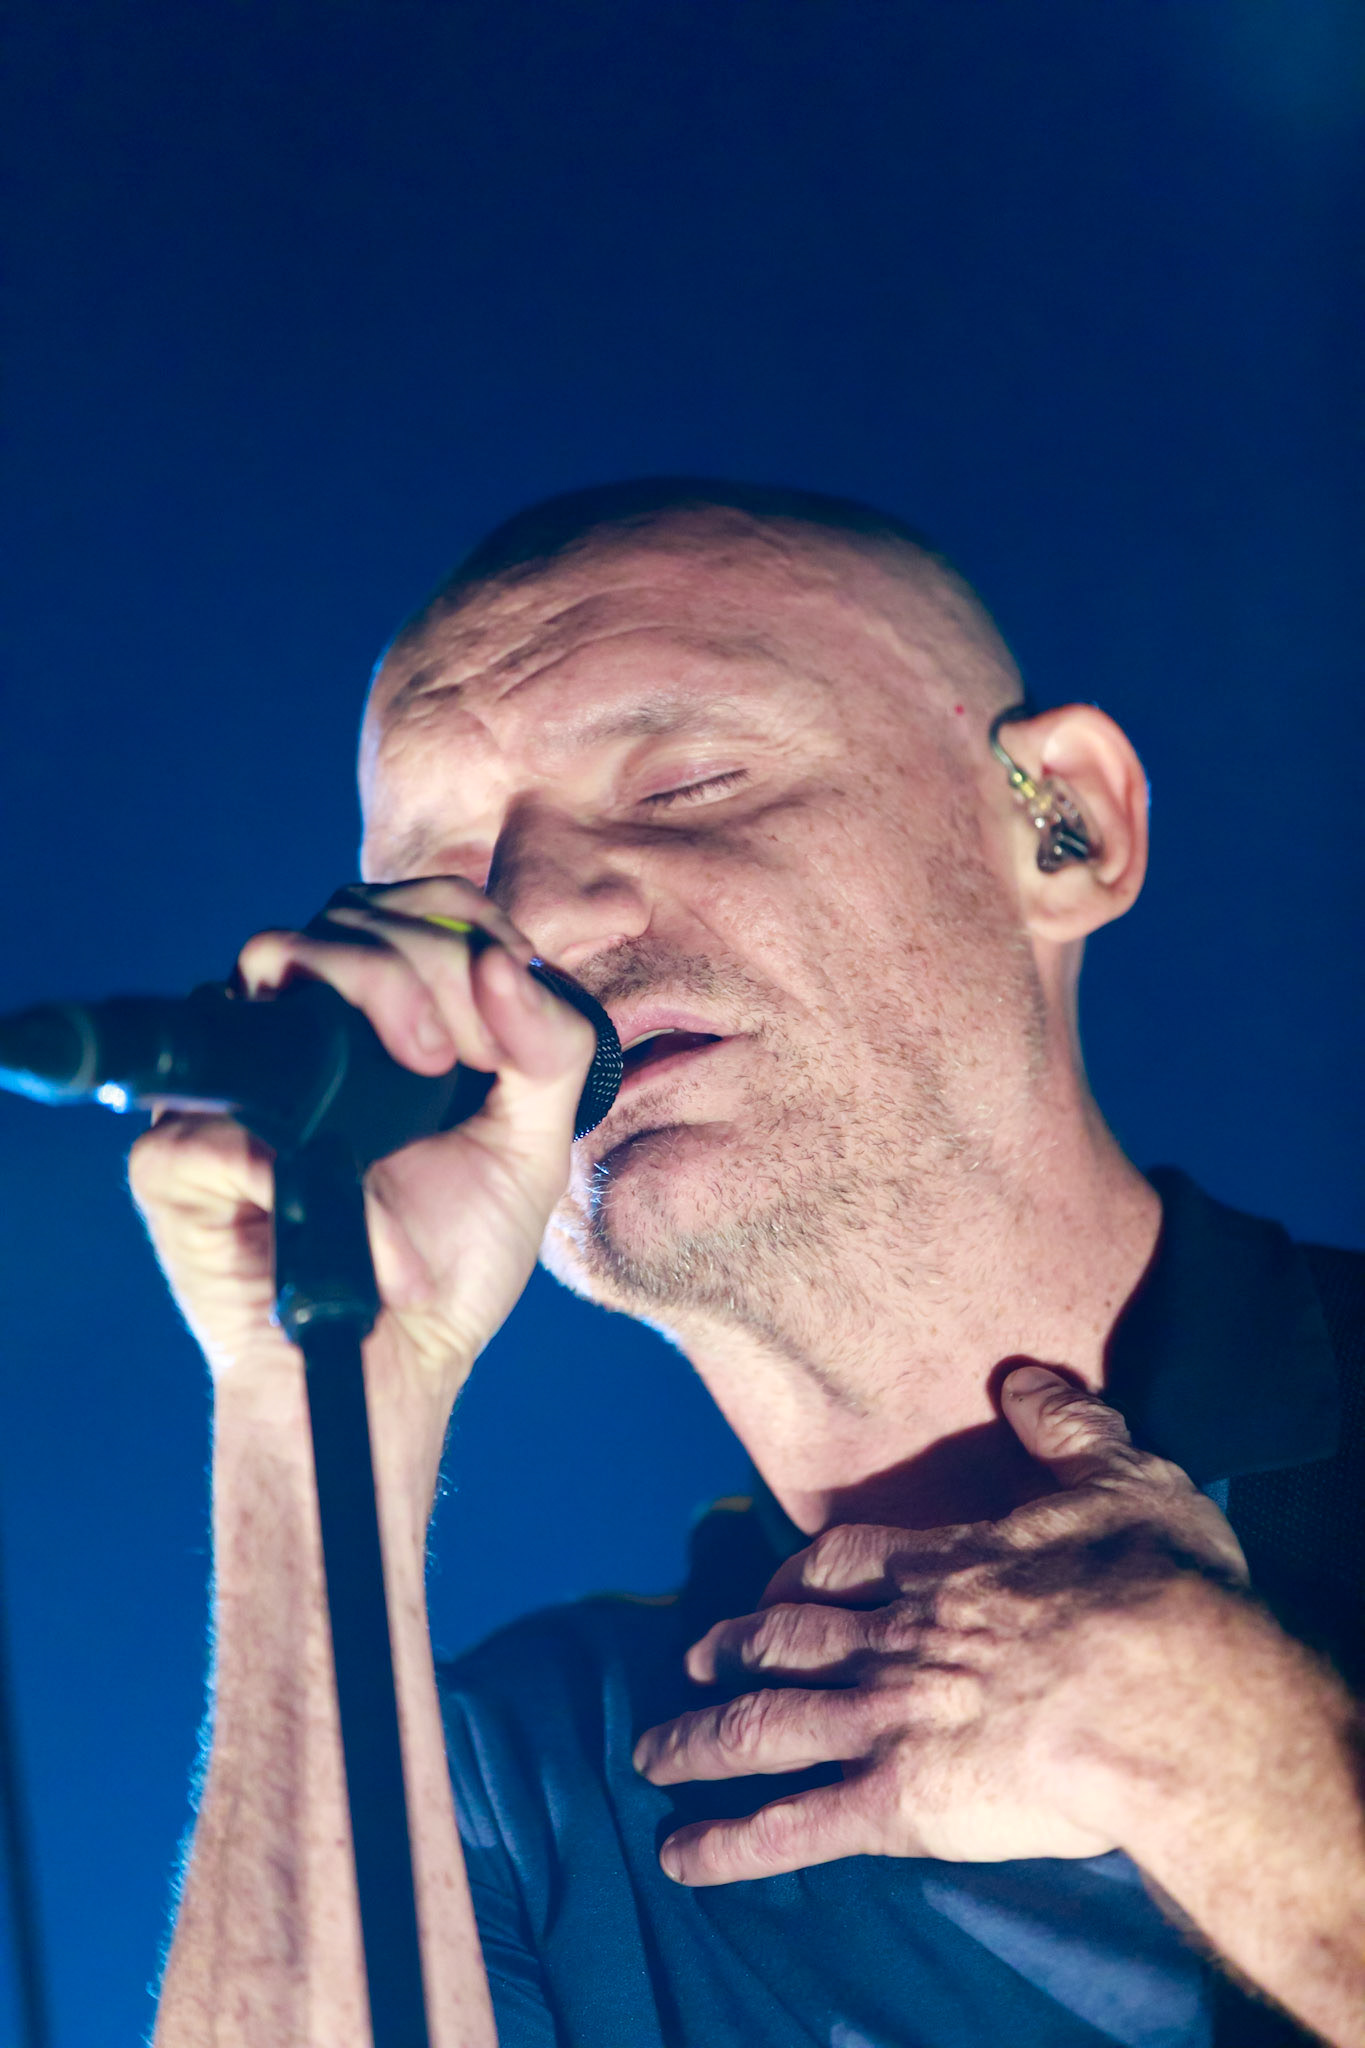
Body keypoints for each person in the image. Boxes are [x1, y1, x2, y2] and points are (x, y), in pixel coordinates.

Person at [136, 482, 1364, 2048]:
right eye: (440, 881)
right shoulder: (528, 1787)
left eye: (686, 783)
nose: (536, 915)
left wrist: (1213, 1747)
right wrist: (315, 1402)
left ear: (1065, 826)